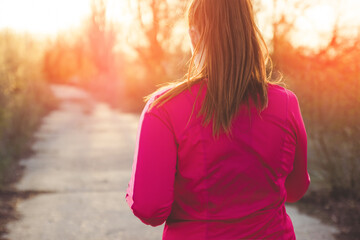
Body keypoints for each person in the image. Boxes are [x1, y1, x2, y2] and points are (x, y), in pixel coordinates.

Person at [126, 0, 310, 239]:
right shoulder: (285, 103)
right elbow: (296, 189)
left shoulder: (163, 108)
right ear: (249, 32)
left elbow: (150, 209)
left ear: (194, 36)